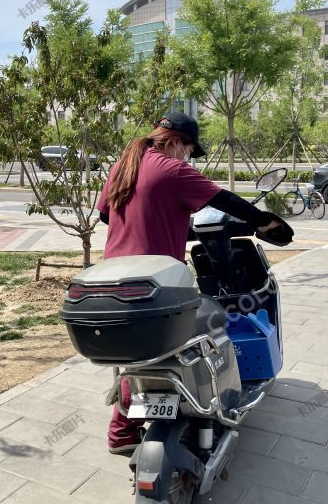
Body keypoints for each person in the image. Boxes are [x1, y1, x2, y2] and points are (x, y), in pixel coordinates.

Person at [97, 111, 288, 454]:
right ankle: (212, 406)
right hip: (157, 283)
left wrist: (169, 226)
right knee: (211, 325)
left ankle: (120, 432)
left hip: (113, 280)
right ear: (175, 142)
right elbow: (223, 200)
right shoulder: (172, 169)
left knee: (139, 355)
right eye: (188, 149)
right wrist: (264, 223)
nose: (188, 156)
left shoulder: (123, 165)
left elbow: (105, 215)